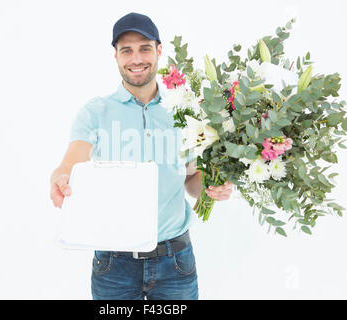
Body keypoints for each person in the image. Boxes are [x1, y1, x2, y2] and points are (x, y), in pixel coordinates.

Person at [49, 12, 233, 300]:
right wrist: (61, 177)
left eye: (144, 48)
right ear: (116, 56)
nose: (136, 59)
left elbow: (191, 179)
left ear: (159, 51)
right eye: (127, 50)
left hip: (175, 261)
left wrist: (211, 186)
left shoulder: (185, 109)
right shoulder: (95, 112)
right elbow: (72, 159)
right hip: (113, 264)